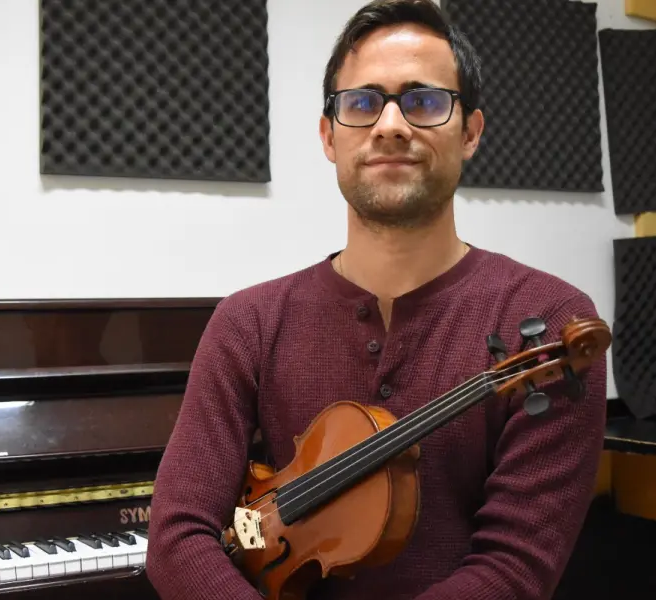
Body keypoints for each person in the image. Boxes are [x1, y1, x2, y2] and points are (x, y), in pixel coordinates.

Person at [144, 1, 608, 599]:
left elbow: (513, 573)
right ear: (328, 136)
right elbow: (179, 534)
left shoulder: (544, 325)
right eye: (362, 103)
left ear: (470, 133)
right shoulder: (248, 322)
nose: (391, 124)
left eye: (424, 101)